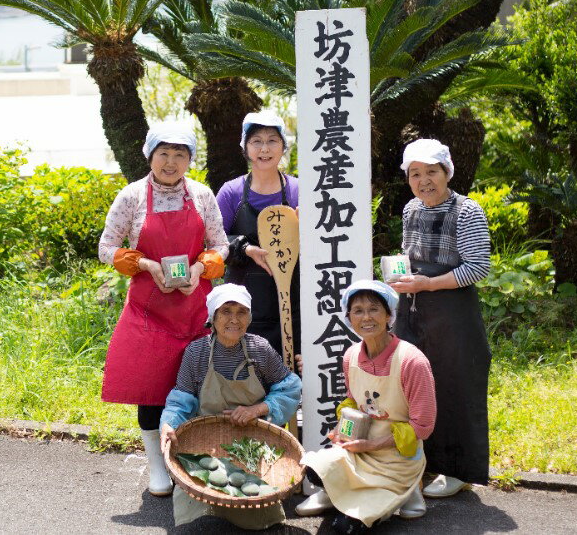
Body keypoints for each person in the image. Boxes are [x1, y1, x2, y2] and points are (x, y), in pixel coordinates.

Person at [98, 123, 229, 497]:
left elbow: (220, 244)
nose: (171, 162)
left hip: (195, 307)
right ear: (150, 155)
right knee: (150, 390)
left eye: (180, 155)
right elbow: (106, 247)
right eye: (164, 154)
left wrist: (201, 269)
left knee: (200, 389)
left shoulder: (202, 195)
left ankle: (192, 462)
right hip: (148, 310)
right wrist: (147, 266)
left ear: (190, 160)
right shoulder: (132, 196)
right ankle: (157, 467)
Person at [389, 138, 492, 498]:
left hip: (453, 311)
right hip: (414, 308)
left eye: (431, 172)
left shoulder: (467, 211)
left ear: (447, 172)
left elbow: (479, 267)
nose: (423, 180)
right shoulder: (410, 210)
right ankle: (422, 461)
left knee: (455, 385)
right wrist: (399, 276)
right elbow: (408, 253)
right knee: (413, 383)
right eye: (415, 174)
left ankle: (459, 470)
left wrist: (429, 284)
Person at [296, 280, 436, 533]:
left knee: (342, 529)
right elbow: (354, 402)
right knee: (311, 469)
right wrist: (343, 431)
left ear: (389, 315)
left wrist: (370, 445)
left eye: (374, 309)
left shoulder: (412, 361)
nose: (366, 317)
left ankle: (405, 491)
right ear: (349, 317)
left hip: (397, 459)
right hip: (359, 450)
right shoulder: (350, 355)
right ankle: (338, 491)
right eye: (357, 310)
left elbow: (422, 426)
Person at [159, 283, 302, 530]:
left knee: (263, 521)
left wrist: (257, 410)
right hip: (203, 444)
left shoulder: (259, 349)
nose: (234, 320)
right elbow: (181, 398)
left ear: (249, 317)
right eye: (226, 312)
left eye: (241, 312)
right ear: (212, 317)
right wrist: (168, 424)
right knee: (198, 524)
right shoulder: (197, 353)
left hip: (251, 444)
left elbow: (290, 388)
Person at [216, 110, 300, 360]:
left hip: (292, 300)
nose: (265, 148)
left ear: (283, 146)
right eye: (257, 141)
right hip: (243, 302)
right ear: (245, 147)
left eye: (272, 140)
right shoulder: (230, 192)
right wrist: (245, 249)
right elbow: (213, 240)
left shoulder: (299, 190)